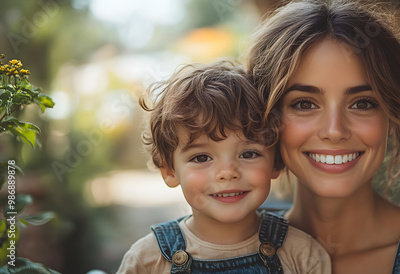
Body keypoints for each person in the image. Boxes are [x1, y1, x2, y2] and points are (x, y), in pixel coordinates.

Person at [246, 0, 400, 273]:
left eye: (362, 103)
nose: (335, 130)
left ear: (392, 115)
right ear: (268, 119)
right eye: (304, 104)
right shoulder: (218, 259)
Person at [116, 60, 330, 273]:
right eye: (201, 158)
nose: (227, 172)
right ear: (169, 171)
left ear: (276, 162)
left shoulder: (303, 255)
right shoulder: (146, 261)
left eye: (248, 154)